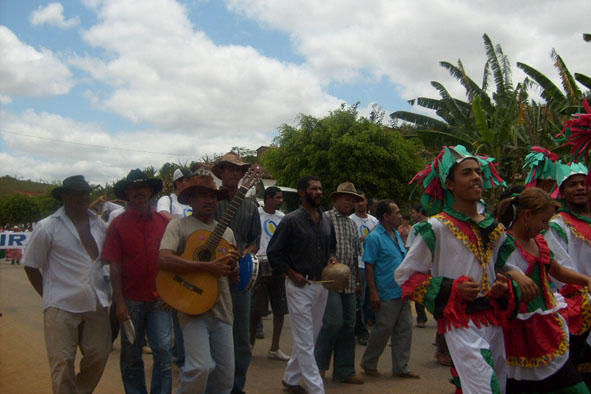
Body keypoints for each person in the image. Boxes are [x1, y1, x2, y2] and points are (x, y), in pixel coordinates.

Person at [395, 145, 518, 394]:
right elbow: (405, 276)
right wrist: (453, 288)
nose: (476, 177)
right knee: (485, 387)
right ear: (449, 184)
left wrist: (505, 285)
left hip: (494, 320)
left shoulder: (496, 230)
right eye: (466, 173)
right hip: (460, 323)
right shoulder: (436, 228)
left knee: (497, 384)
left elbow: (503, 268)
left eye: (478, 172)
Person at [496, 187, 590, 393]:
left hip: (545, 325)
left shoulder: (539, 242)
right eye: (544, 221)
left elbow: (558, 271)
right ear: (527, 216)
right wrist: (515, 275)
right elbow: (492, 272)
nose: (546, 226)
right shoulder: (502, 242)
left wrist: (586, 281)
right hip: (520, 330)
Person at [23, 175, 111, 394]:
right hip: (61, 305)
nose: (84, 197)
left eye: (86, 193)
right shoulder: (47, 227)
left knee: (99, 355)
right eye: (78, 193)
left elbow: (108, 260)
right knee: (62, 363)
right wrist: (49, 297)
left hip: (96, 302)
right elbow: (30, 265)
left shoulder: (98, 224)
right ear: (64, 196)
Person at [159, 174, 240, 394]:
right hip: (191, 305)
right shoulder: (179, 226)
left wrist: (234, 268)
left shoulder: (228, 232)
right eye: (203, 195)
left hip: (222, 308)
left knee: (225, 377)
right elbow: (164, 259)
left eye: (213, 196)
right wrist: (205, 268)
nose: (209, 200)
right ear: (190, 200)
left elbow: (232, 278)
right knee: (200, 367)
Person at [102, 169, 173, 394]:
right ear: (127, 193)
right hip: (131, 300)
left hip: (160, 297)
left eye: (143, 188)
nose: (139, 192)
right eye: (133, 189)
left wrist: (171, 292)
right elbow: (114, 265)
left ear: (151, 191)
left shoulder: (164, 222)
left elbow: (174, 259)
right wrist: (119, 303)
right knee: (131, 355)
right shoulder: (117, 225)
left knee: (163, 351)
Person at [267, 175, 337, 394]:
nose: (318, 192)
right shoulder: (290, 220)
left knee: (310, 337)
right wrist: (291, 273)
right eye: (313, 189)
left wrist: (332, 258)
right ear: (301, 192)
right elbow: (273, 253)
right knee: (306, 340)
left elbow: (331, 246)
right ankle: (317, 389)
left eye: (320, 188)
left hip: (321, 285)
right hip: (299, 286)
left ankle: (291, 378)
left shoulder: (326, 220)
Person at [212, 152, 261, 394]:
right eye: (228, 168)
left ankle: (236, 387)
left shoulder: (251, 206)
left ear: (244, 175)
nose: (233, 173)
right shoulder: (210, 202)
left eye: (237, 170)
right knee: (213, 332)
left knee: (241, 337)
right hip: (212, 274)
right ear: (220, 172)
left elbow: (255, 240)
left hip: (240, 275)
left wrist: (247, 251)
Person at [360, 199, 419, 380]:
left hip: (401, 291)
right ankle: (369, 362)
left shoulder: (395, 235)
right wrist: (373, 292)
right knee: (383, 329)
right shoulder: (374, 238)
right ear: (386, 216)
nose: (400, 216)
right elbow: (369, 266)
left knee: (404, 329)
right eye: (396, 213)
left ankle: (401, 368)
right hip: (385, 291)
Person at [545, 163, 591, 381]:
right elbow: (561, 269)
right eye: (573, 185)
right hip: (579, 305)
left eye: (583, 183)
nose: (580, 188)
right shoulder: (557, 225)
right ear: (561, 192)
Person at [315, 182, 364, 384]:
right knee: (333, 322)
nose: (349, 202)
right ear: (335, 199)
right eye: (346, 198)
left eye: (352, 199)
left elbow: (354, 256)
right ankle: (317, 368)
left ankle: (344, 370)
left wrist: (358, 282)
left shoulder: (353, 224)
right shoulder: (324, 219)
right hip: (328, 280)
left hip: (349, 281)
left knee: (349, 325)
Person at [156, 167, 193, 367]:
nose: (192, 183)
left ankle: (183, 351)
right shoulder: (167, 200)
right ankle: (179, 353)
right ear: (179, 182)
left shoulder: (192, 201)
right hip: (173, 255)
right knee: (174, 305)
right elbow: (163, 215)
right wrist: (186, 227)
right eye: (189, 180)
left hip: (190, 257)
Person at [249, 186, 290, 361]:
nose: (281, 201)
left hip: (278, 266)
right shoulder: (255, 215)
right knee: (256, 309)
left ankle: (275, 347)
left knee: (279, 309)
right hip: (259, 263)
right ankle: (249, 345)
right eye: (278, 198)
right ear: (268, 198)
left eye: (281, 198)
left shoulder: (283, 219)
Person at [349, 191, 378, 345]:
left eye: (363, 200)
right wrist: (366, 238)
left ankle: (364, 327)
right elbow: (353, 241)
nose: (360, 204)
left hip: (372, 264)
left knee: (369, 300)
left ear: (367, 202)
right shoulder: (350, 220)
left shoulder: (374, 221)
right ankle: (360, 330)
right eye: (357, 201)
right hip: (358, 264)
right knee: (358, 300)